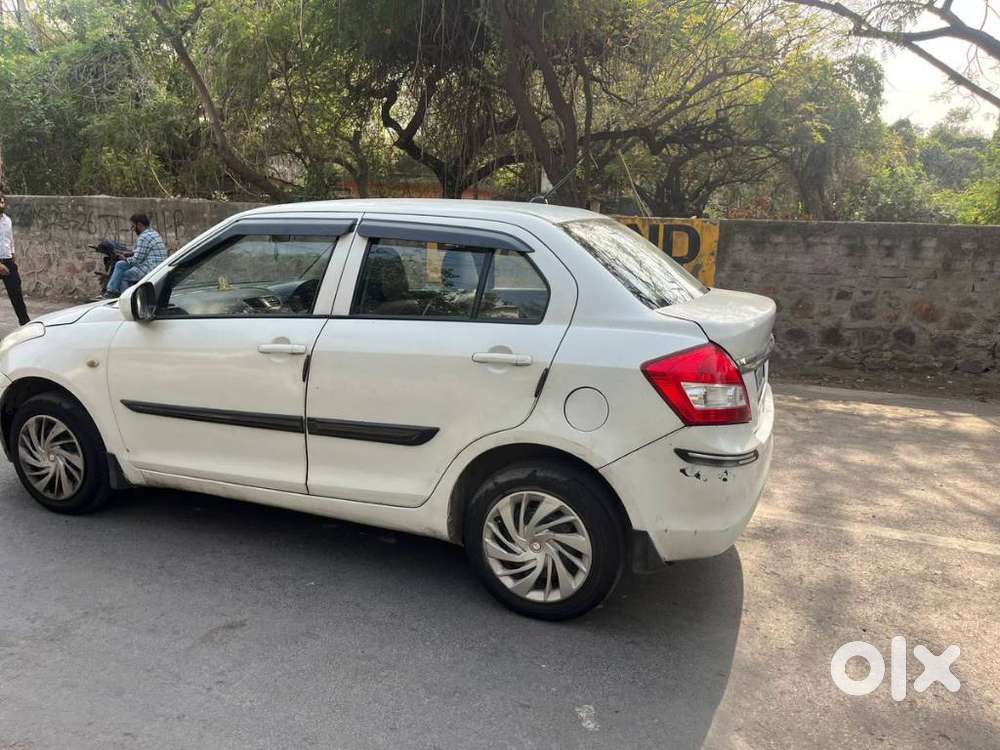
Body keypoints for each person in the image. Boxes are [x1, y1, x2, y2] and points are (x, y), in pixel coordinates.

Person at [102, 213, 167, 298]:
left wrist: (124, 258)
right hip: (156, 265)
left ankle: (127, 299)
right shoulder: (153, 233)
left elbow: (137, 260)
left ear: (139, 225)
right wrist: (130, 253)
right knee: (120, 264)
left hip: (150, 268)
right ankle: (111, 291)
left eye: (133, 226)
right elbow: (143, 251)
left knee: (123, 275)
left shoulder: (143, 237)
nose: (133, 229)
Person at [0, 194, 31, 326]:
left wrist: (12, 254)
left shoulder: (7, 220)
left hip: (7, 260)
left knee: (16, 292)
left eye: (2, 202)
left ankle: (25, 323)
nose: (1, 204)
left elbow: (10, 239)